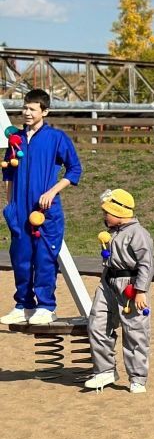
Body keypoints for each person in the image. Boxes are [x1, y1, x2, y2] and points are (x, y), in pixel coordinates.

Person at [2, 89, 82, 325]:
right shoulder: (15, 138)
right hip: (19, 210)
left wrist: (52, 191)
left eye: (32, 109)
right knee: (20, 257)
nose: (26, 112)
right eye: (25, 108)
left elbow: (75, 169)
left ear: (44, 112)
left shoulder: (56, 138)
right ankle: (24, 305)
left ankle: (47, 307)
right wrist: (10, 204)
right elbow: (8, 171)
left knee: (45, 258)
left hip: (44, 211)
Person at [84, 189, 154, 393]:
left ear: (119, 212)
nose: (104, 216)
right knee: (97, 323)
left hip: (131, 285)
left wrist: (141, 290)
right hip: (108, 281)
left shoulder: (138, 234)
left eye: (107, 212)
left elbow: (146, 264)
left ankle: (137, 377)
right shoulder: (112, 233)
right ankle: (105, 370)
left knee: (135, 331)